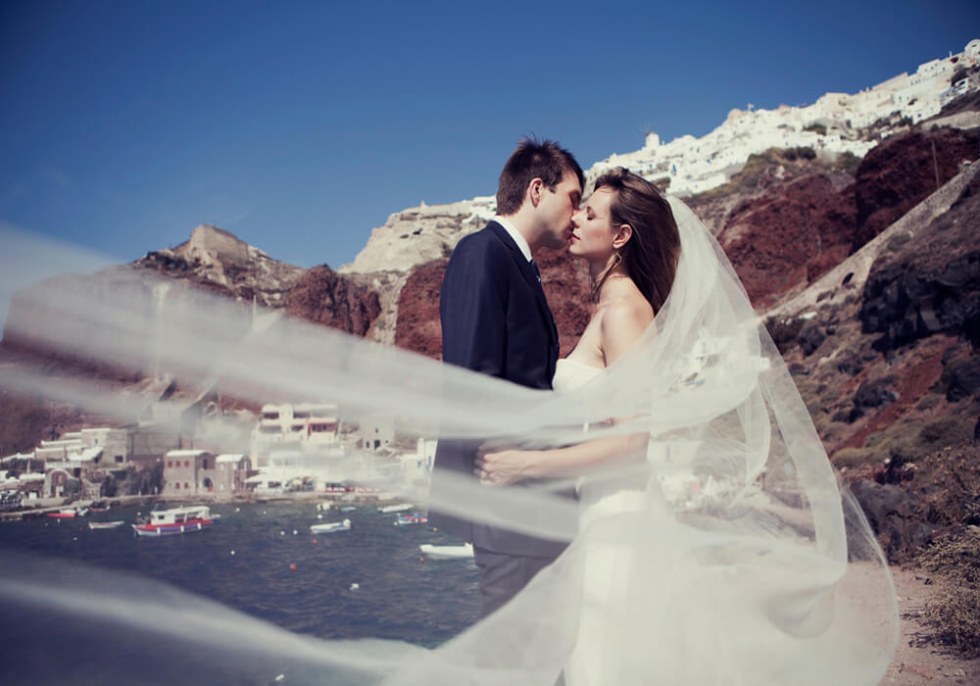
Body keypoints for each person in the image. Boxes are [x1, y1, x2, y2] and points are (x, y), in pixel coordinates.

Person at [429, 137, 584, 618]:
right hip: (510, 507)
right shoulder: (482, 254)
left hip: (536, 505)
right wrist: (515, 469)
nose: (577, 215)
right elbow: (473, 379)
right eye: (574, 198)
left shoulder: (520, 263)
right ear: (537, 190)